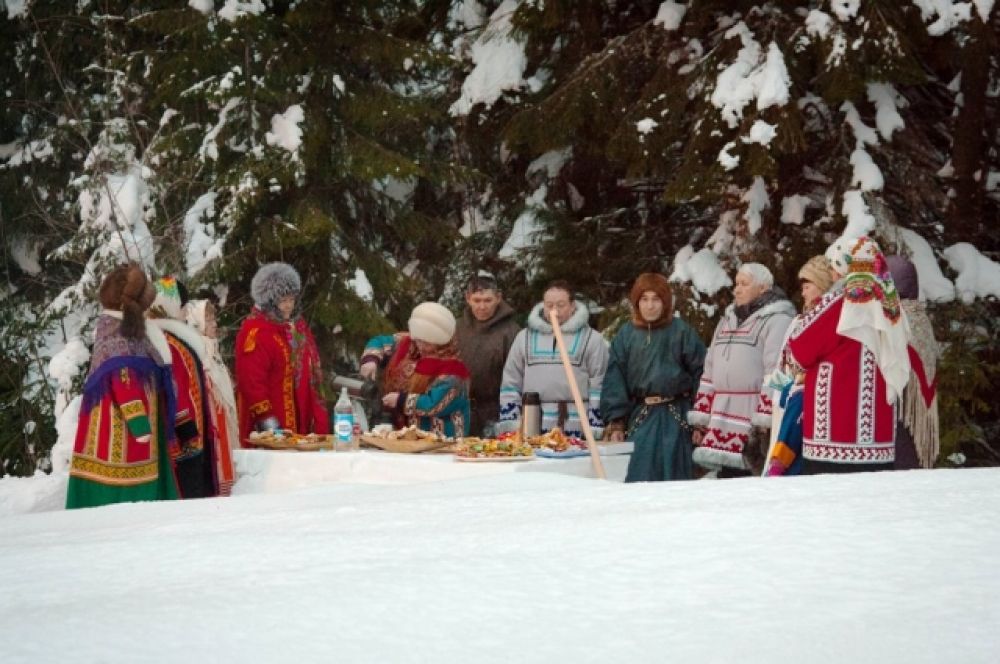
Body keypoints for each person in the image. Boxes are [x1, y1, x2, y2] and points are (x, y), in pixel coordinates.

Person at [787, 236, 910, 474]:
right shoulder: (890, 305)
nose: (832, 273)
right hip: (878, 432)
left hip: (835, 430)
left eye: (835, 266)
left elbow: (801, 348)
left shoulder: (841, 304)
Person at [66, 264, 180, 509]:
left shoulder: (123, 327)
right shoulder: (119, 332)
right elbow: (123, 377)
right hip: (123, 428)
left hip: (134, 420)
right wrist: (139, 422)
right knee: (127, 495)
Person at [687, 263, 795, 476]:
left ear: (763, 288)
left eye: (744, 284)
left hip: (752, 415)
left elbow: (779, 371)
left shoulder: (778, 320)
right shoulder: (727, 320)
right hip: (722, 415)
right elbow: (709, 369)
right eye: (736, 284)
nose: (736, 289)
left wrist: (766, 416)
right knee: (726, 478)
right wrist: (702, 417)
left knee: (749, 477)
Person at [601, 273, 706, 482]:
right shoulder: (626, 334)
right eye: (644, 299)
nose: (650, 306)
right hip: (641, 417)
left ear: (665, 302)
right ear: (636, 302)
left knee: (677, 478)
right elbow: (615, 378)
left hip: (677, 417)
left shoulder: (681, 332)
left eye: (656, 299)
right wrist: (617, 423)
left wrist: (700, 421)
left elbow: (701, 374)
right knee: (639, 475)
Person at [148, 277, 228, 498]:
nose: (185, 311)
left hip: (192, 429)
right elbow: (174, 383)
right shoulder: (164, 340)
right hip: (183, 433)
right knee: (188, 488)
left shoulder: (175, 336)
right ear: (168, 305)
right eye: (182, 305)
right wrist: (183, 422)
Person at [497, 280, 608, 439]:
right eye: (549, 305)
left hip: (575, 423)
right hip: (533, 422)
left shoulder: (592, 339)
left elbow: (599, 382)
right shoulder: (524, 338)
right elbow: (511, 380)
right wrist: (511, 420)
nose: (554, 310)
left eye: (561, 305)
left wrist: (595, 423)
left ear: (573, 306)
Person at [235, 262, 330, 445]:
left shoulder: (296, 327)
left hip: (300, 418)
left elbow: (312, 370)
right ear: (269, 302)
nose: (289, 306)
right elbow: (251, 381)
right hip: (273, 423)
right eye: (283, 301)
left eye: (291, 299)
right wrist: (267, 420)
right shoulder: (256, 332)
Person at [761, 255, 835, 476]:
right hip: (789, 395)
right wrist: (778, 393)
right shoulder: (798, 321)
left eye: (807, 286)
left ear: (822, 284)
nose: (802, 293)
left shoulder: (832, 319)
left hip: (812, 396)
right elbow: (782, 362)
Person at [378, 302, 471, 437]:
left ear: (440, 342)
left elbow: (434, 404)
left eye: (426, 343)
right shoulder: (410, 348)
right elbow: (381, 342)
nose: (420, 346)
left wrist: (401, 400)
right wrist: (370, 360)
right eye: (418, 341)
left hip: (444, 442)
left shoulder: (454, 371)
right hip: (416, 440)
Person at [886, 255, 940, 470]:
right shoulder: (919, 314)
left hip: (901, 394)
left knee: (902, 441)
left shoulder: (896, 317)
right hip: (917, 395)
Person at [454, 271, 520, 436]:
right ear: (468, 298)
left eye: (487, 300)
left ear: (498, 298)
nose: (482, 306)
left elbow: (518, 378)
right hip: (459, 411)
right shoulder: (455, 328)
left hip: (494, 412)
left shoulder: (512, 332)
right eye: (477, 300)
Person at [186, 299, 238, 495]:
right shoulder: (199, 350)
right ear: (197, 323)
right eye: (208, 320)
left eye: (213, 319)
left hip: (222, 417)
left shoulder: (212, 350)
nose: (214, 324)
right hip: (211, 420)